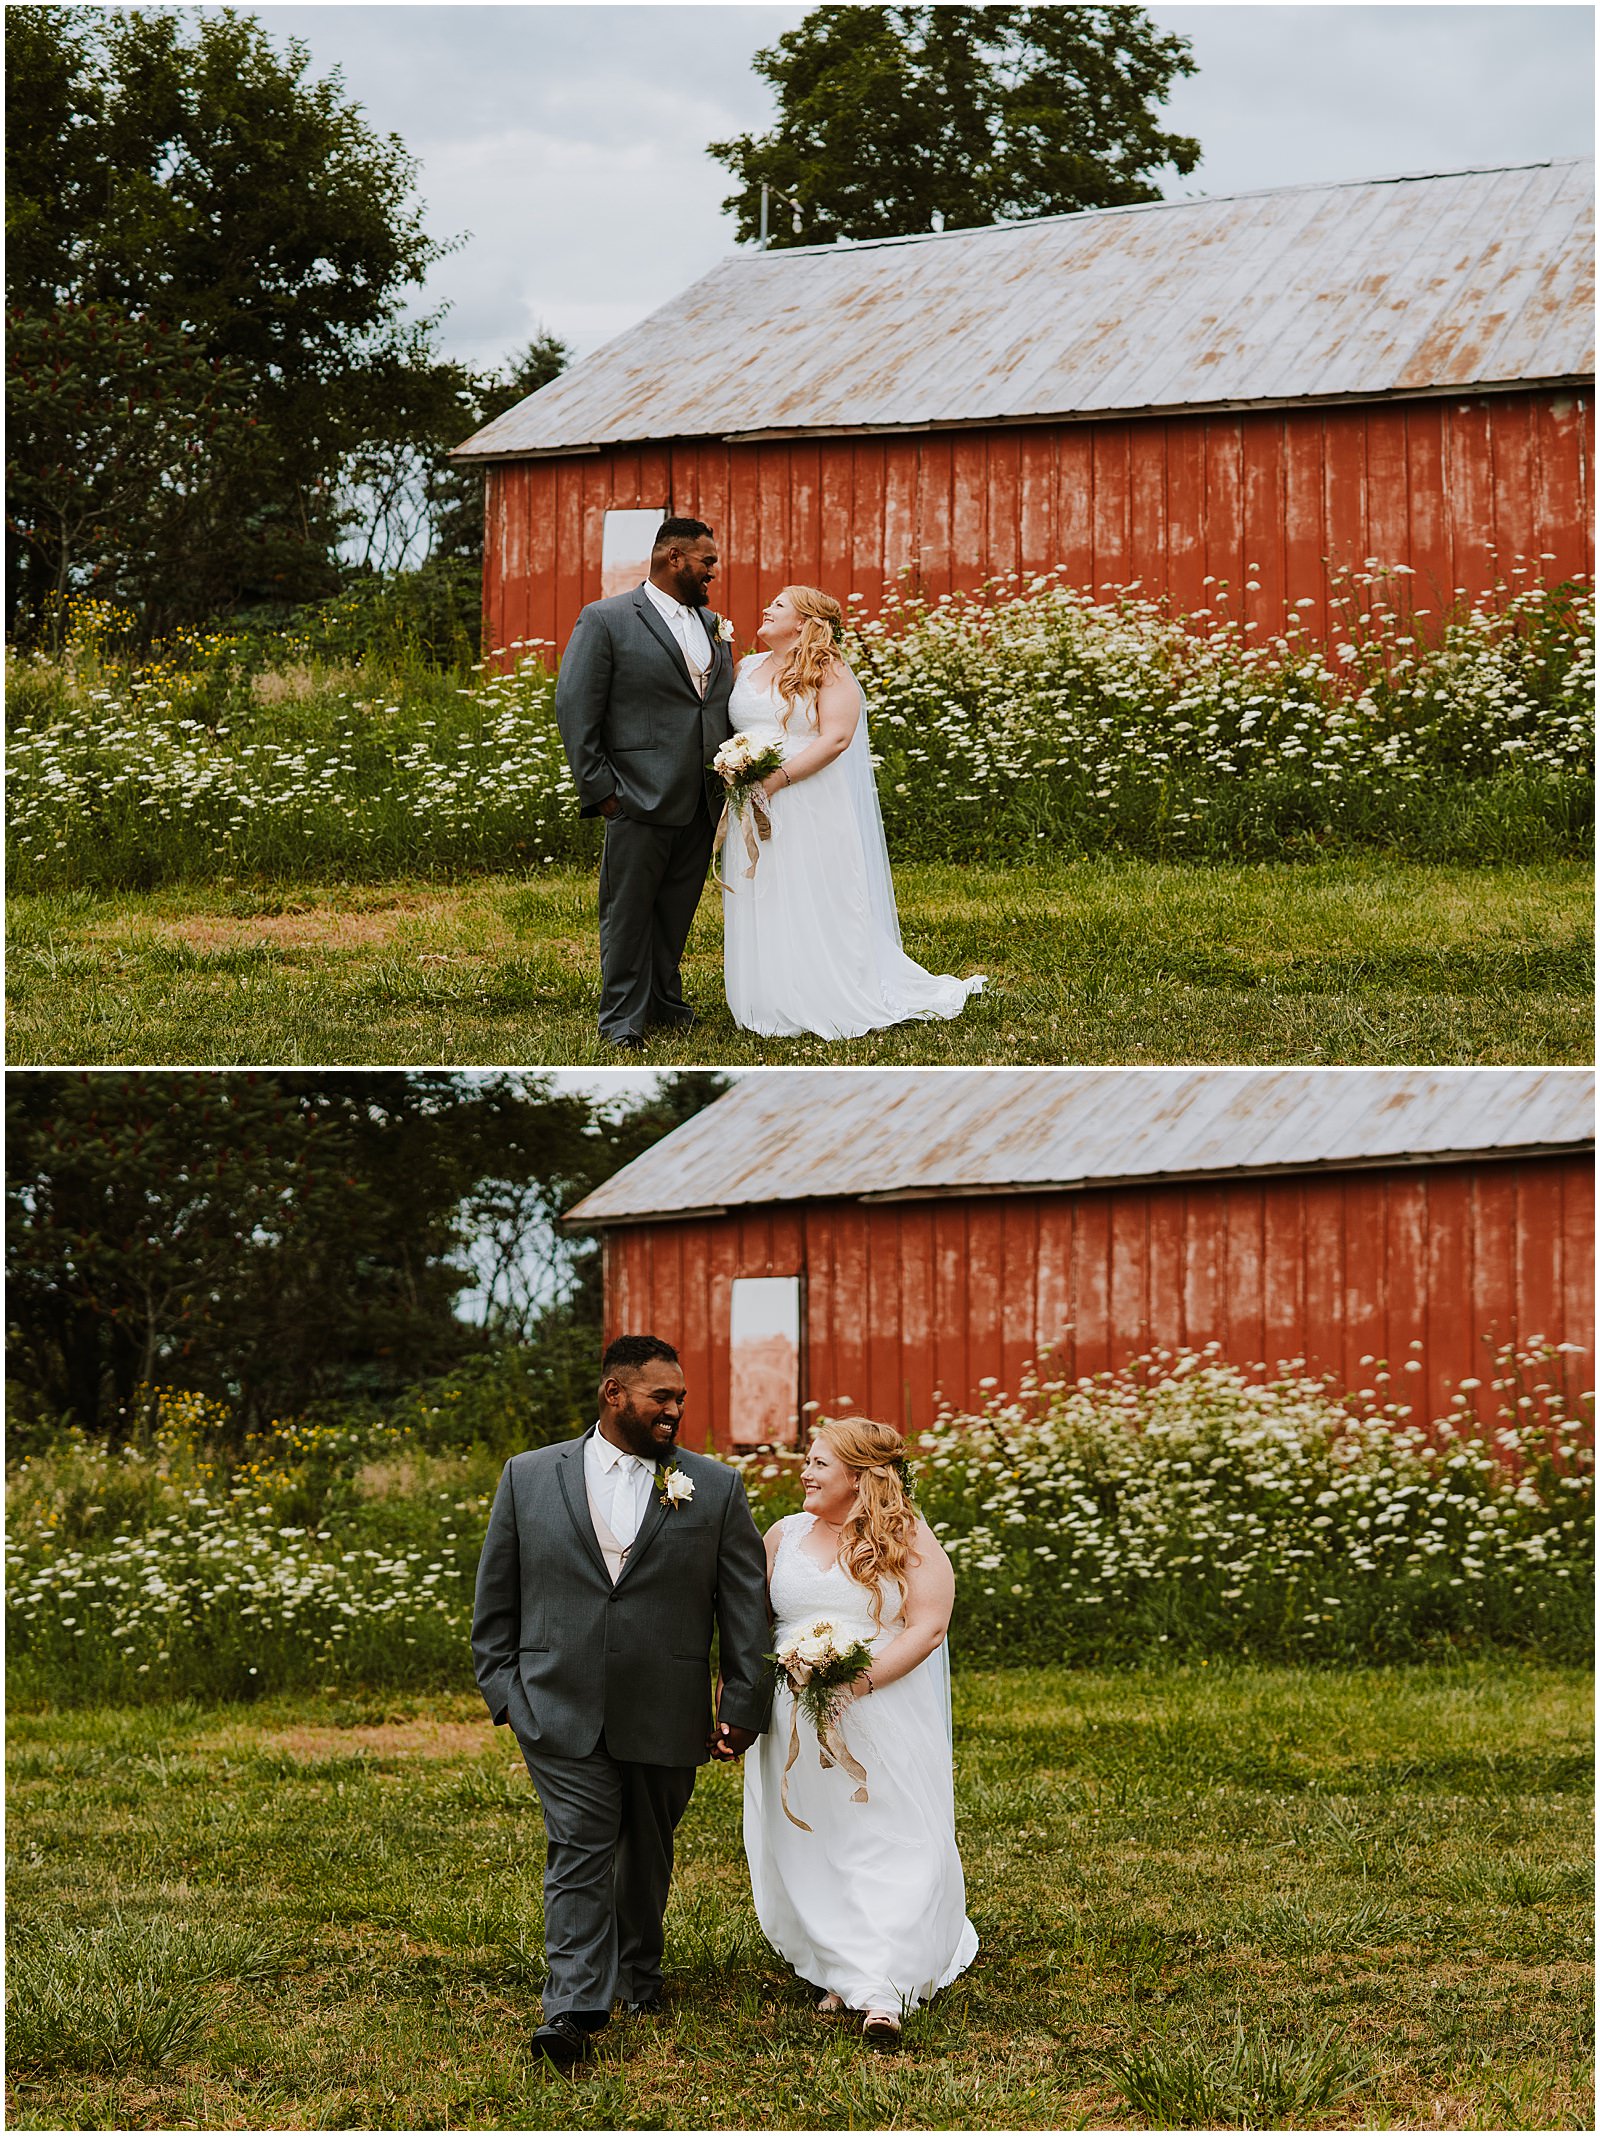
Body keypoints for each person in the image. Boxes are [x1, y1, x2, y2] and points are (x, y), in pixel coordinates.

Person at [471, 1334, 772, 2070]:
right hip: (556, 1704)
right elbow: (496, 1596)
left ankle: (638, 1972)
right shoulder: (528, 1476)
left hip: (667, 1707)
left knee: (647, 1851)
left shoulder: (716, 1487)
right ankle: (572, 2007)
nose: (674, 1411)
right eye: (659, 1397)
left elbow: (743, 1608)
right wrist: (506, 1690)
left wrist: (742, 1701)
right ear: (614, 1394)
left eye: (680, 1400)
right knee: (580, 1845)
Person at [743, 1417, 978, 2047]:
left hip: (881, 1711)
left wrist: (856, 1684)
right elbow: (752, 1623)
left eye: (819, 1463)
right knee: (818, 1842)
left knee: (892, 1836)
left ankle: (885, 1987)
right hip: (791, 1714)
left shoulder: (908, 1537)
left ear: (858, 1476)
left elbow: (927, 1627)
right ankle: (842, 1965)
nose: (805, 1472)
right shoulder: (782, 1534)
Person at [721, 585, 985, 1039]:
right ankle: (771, 993)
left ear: (803, 622)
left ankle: (826, 990)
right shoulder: (745, 667)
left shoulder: (830, 671)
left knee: (816, 891)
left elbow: (837, 739)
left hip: (808, 796)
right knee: (764, 892)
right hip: (751, 797)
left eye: (779, 605)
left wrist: (776, 780)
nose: (766, 608)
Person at [555, 519, 735, 1049]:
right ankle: (621, 1021)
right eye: (707, 561)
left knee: (675, 911)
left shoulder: (713, 624)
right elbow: (575, 707)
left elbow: (713, 704)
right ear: (675, 557)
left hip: (701, 797)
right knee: (629, 914)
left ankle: (663, 1003)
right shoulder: (606, 619)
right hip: (635, 794)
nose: (714, 572)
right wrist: (601, 790)